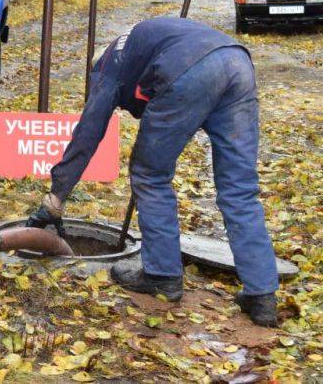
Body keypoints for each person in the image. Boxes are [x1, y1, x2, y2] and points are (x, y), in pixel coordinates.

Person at [26, 17, 279, 327]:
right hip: (238, 62)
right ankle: (262, 294)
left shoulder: (108, 67)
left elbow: (88, 133)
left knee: (150, 174)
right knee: (239, 189)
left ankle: (162, 274)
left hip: (190, 69)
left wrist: (55, 198)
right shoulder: (143, 43)